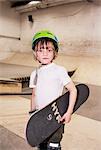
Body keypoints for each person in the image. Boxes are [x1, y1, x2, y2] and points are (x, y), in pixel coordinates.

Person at [29, 30, 77, 150]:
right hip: (40, 116)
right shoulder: (34, 74)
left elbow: (73, 90)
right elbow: (34, 95)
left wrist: (69, 112)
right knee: (41, 145)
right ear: (36, 53)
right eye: (41, 50)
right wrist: (31, 115)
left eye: (49, 50)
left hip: (56, 116)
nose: (45, 53)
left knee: (53, 146)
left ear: (54, 53)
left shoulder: (59, 70)